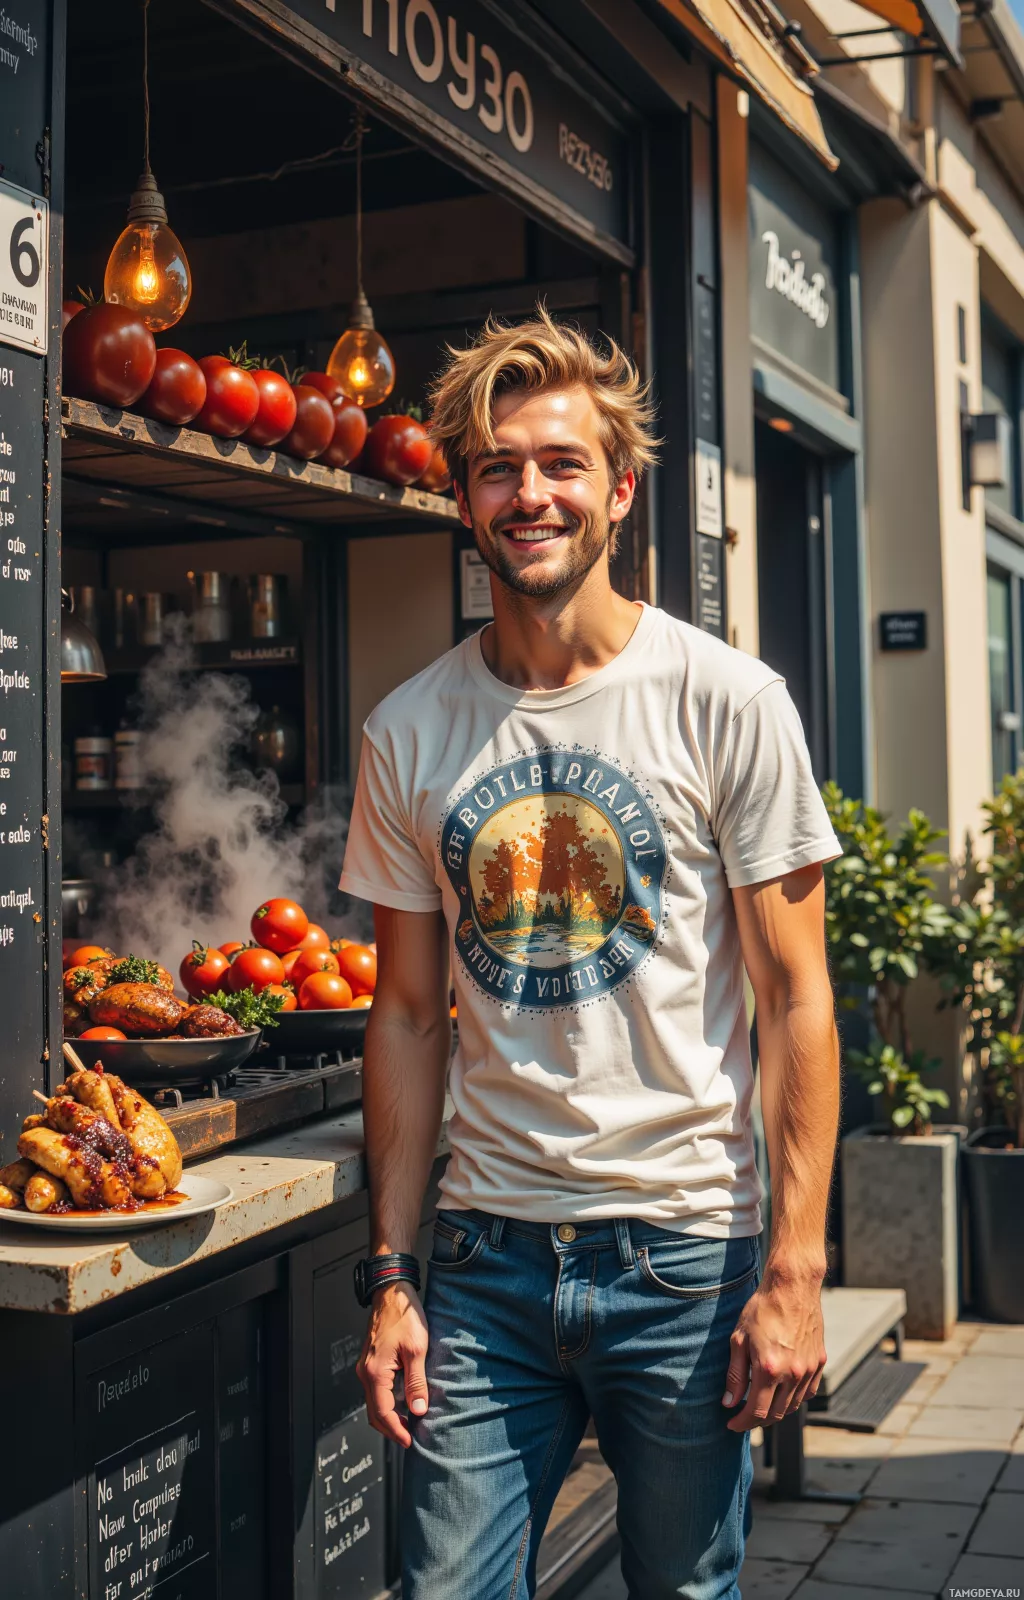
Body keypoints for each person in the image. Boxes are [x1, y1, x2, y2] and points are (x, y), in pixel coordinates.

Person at [340, 306, 841, 1600]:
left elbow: (796, 1001)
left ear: (620, 491)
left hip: (684, 1249)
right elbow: (402, 1016)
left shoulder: (728, 701)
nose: (531, 493)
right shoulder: (409, 731)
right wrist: (391, 1278)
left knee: (682, 1589)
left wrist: (795, 1266)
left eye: (562, 465)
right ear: (463, 500)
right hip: (484, 1260)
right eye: (499, 468)